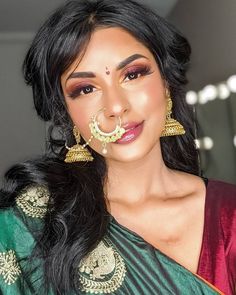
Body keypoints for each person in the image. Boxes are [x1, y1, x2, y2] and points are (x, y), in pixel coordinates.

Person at [0, 0, 235, 294]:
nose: (115, 107)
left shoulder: (231, 214)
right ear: (67, 112)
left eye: (133, 74)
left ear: (165, 82)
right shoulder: (31, 227)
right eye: (86, 89)